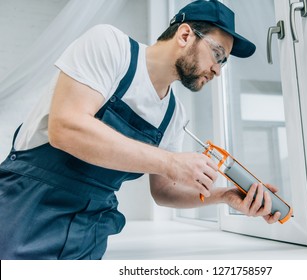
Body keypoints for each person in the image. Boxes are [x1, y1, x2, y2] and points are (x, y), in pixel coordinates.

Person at [0, 0, 281, 260]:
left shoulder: (173, 114)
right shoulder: (110, 46)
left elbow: (163, 191)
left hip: (89, 230)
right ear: (185, 35)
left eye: (223, 62)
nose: (218, 71)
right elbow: (66, 128)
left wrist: (223, 195)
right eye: (217, 54)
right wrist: (170, 162)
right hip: (26, 209)